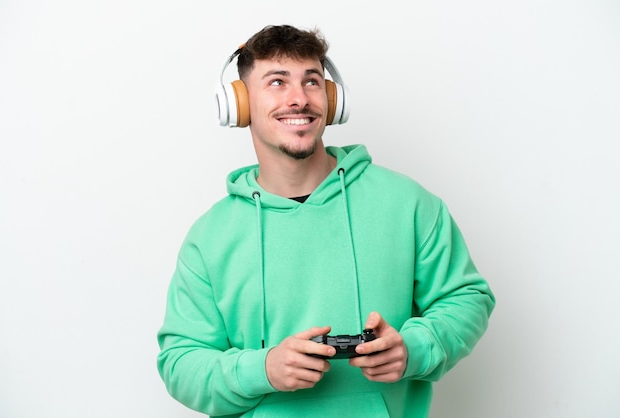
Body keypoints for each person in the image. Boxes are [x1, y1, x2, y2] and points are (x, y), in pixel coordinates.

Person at [157, 24, 495, 418]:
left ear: (333, 100)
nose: (299, 99)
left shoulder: (409, 203)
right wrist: (261, 370)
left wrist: (413, 349)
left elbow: (467, 298)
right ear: (240, 104)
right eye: (278, 82)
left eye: (312, 81)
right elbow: (180, 362)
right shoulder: (210, 237)